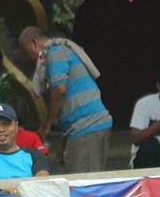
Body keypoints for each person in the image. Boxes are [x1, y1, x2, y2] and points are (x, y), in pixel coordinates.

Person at [18, 27, 111, 173]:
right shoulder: (60, 52)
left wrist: (47, 125)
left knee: (83, 186)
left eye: (26, 51)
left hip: (87, 126)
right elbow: (68, 106)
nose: (28, 57)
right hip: (82, 128)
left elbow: (60, 91)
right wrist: (64, 143)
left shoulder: (55, 53)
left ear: (34, 43)